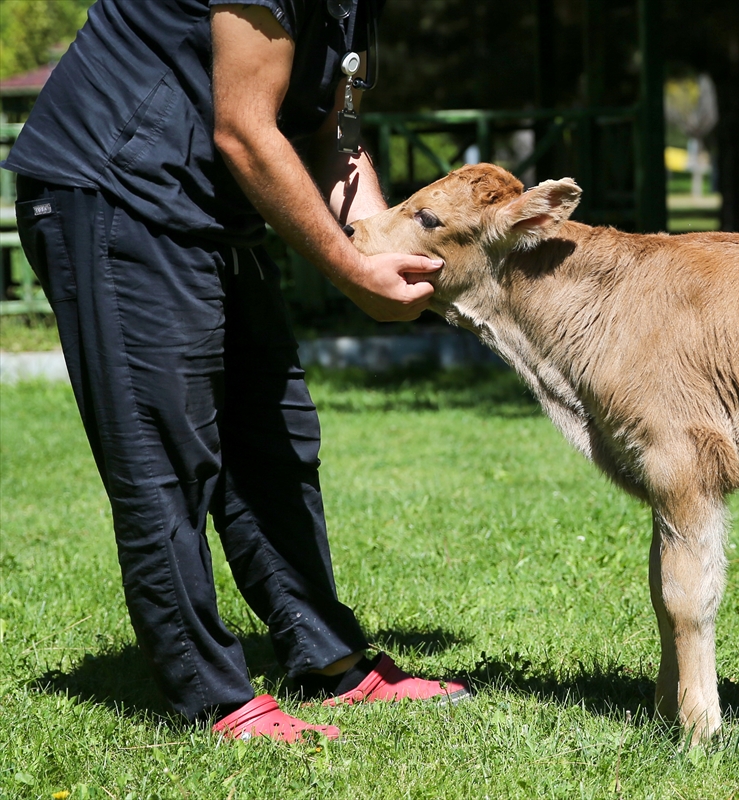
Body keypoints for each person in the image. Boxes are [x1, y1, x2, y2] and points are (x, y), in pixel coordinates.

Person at [3, 0, 467, 742]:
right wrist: (352, 272)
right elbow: (246, 130)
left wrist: (384, 247)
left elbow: (331, 137)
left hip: (212, 208)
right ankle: (212, 696)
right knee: (166, 453)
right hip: (115, 190)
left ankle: (330, 660)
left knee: (276, 437)